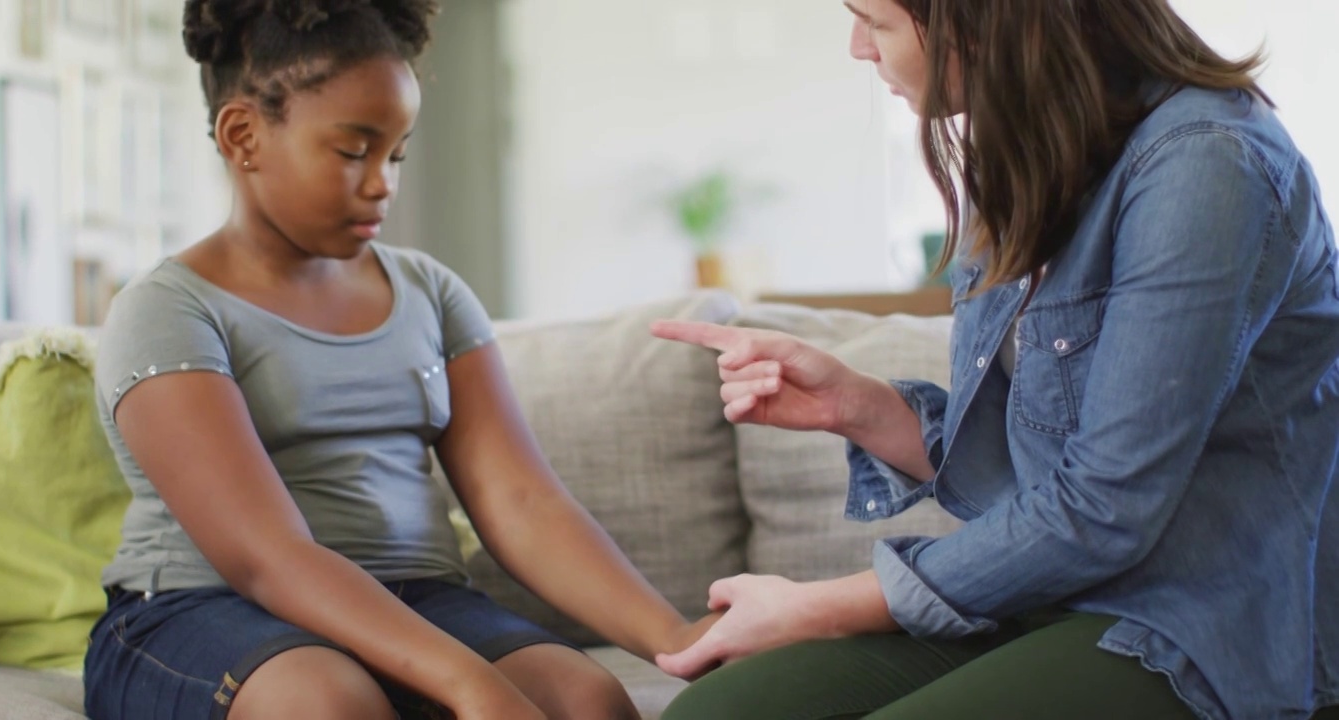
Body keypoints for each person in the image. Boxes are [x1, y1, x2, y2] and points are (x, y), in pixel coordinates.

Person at [650, 1, 1339, 719]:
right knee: (715, 713)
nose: (858, 48)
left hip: (1204, 623)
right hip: (1056, 590)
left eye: (876, 22)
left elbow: (1105, 507)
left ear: (985, 23)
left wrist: (818, 607)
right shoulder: (1028, 149)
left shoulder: (1205, 162)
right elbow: (1036, 470)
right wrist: (858, 405)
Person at [82, 2, 713, 719]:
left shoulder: (432, 294)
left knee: (585, 698)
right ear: (244, 135)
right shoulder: (166, 310)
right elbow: (267, 557)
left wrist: (678, 637)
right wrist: (471, 683)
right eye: (355, 152)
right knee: (327, 703)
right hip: (200, 607)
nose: (384, 182)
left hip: (416, 595)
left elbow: (523, 503)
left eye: (397, 153)